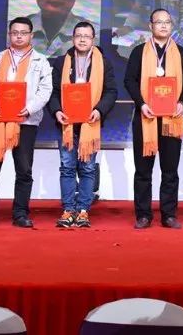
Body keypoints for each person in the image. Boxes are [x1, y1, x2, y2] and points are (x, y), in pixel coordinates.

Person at [0, 16, 53, 228]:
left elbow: (45, 90)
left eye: (23, 33)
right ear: (9, 35)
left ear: (31, 36)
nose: (19, 36)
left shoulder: (41, 61)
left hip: (26, 121)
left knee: (24, 170)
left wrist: (29, 108)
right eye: (15, 33)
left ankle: (20, 214)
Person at [125, 8, 183, 229]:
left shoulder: (181, 52)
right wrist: (141, 104)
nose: (163, 25)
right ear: (150, 26)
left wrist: (182, 102)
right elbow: (129, 81)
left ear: (171, 26)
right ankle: (143, 215)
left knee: (170, 170)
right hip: (146, 117)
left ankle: (169, 215)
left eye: (167, 22)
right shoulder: (139, 52)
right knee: (143, 171)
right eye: (159, 22)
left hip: (172, 119)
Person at [48, 21, 116, 229]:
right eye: (79, 36)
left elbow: (111, 91)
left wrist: (99, 110)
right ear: (73, 38)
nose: (83, 39)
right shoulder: (61, 62)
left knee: (87, 168)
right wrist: (57, 111)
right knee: (67, 167)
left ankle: (84, 210)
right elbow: (53, 91)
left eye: (87, 36)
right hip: (66, 124)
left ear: (93, 39)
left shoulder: (103, 63)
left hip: (90, 123)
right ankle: (68, 209)